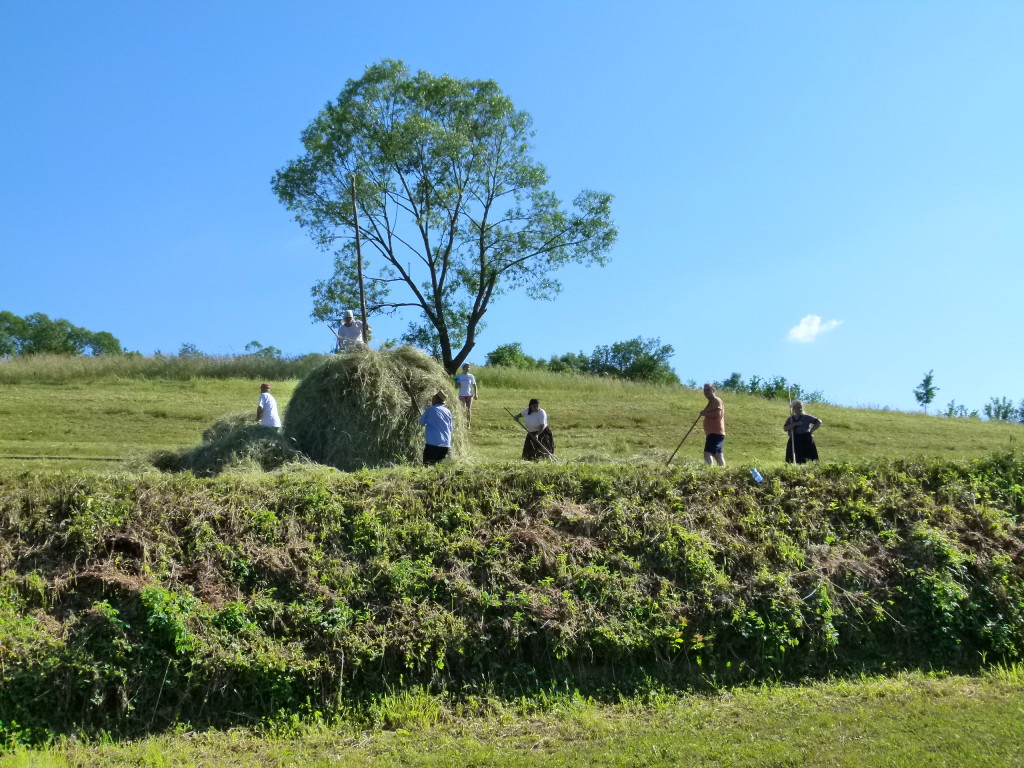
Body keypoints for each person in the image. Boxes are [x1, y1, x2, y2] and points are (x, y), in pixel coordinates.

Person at [418, 391, 453, 465]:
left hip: (433, 445)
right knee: (442, 470)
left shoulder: (430, 410)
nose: (432, 399)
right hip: (446, 445)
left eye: (433, 397)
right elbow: (450, 429)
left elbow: (421, 422)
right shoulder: (448, 411)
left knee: (428, 467)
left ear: (436, 399)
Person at [700, 382, 726, 466]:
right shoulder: (711, 402)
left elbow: (717, 414)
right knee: (718, 455)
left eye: (708, 390)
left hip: (715, 433)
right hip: (714, 433)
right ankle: (723, 471)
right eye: (705, 391)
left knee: (707, 453)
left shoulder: (716, 400)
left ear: (713, 390)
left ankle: (709, 470)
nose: (706, 392)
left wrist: (705, 413)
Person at [454, 363, 478, 428]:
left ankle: (468, 424)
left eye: (469, 367)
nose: (468, 368)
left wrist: (476, 394)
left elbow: (474, 385)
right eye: (467, 367)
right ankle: (462, 423)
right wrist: (456, 382)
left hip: (469, 395)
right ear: (463, 368)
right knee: (463, 408)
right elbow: (456, 387)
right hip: (461, 394)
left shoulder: (471, 376)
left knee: (468, 409)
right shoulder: (459, 376)